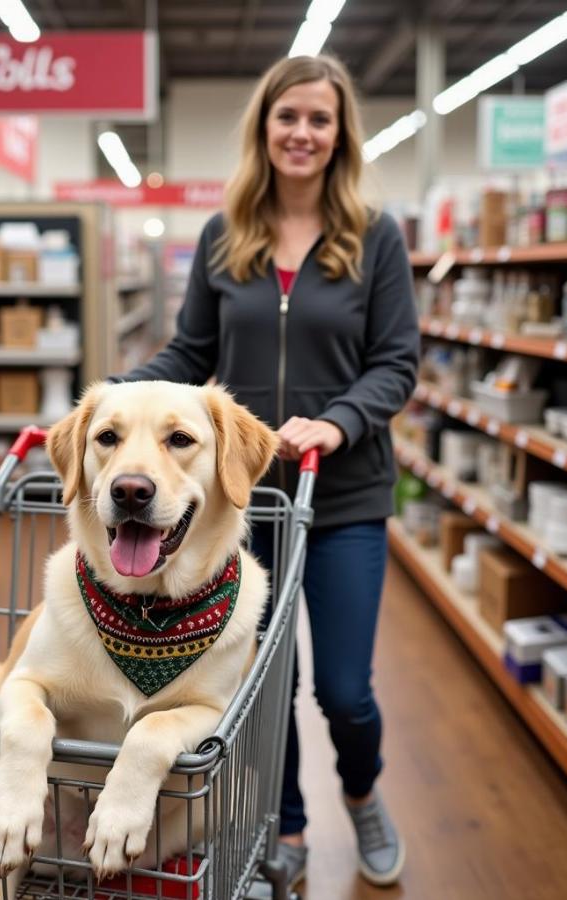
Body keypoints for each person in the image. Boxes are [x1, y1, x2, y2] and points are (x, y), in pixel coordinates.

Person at [114, 54, 419, 891]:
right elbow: (191, 353)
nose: (303, 133)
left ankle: (361, 792)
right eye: (290, 117)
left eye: (320, 119)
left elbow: (396, 364)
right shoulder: (226, 236)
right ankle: (286, 825)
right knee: (262, 684)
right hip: (242, 505)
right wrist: (112, 395)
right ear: (265, 126)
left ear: (339, 134)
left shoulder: (375, 236)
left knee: (345, 690)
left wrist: (337, 422)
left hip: (347, 494)